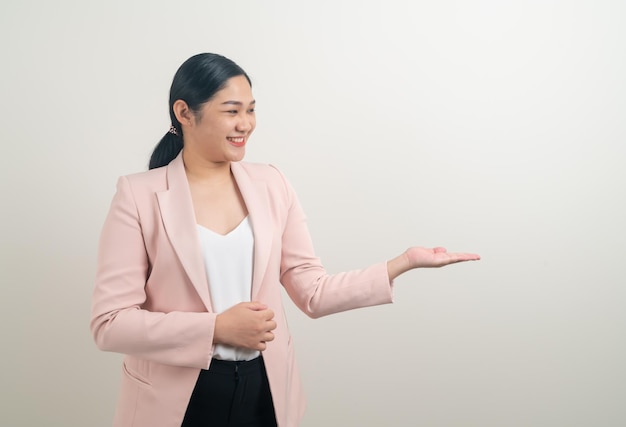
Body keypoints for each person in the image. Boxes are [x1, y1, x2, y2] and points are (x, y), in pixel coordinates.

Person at [90, 52, 480, 427]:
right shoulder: (138, 196)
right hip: (175, 403)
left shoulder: (271, 183)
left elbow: (313, 292)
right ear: (184, 112)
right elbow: (110, 323)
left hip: (264, 394)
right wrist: (214, 328)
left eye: (251, 109)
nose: (246, 124)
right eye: (232, 110)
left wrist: (402, 263)